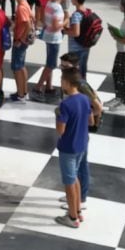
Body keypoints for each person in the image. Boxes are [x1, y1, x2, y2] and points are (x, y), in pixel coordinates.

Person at [55, 67, 91, 229]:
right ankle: (77, 210)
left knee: (69, 182)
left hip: (68, 147)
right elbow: (91, 121)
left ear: (68, 83)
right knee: (75, 177)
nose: (61, 83)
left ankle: (72, 217)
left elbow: (60, 130)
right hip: (82, 144)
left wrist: (58, 116)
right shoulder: (84, 98)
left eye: (62, 80)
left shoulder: (66, 104)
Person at [103, 0, 125, 112]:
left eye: (121, 5)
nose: (120, 6)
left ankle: (122, 102)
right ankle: (119, 98)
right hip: (122, 50)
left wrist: (115, 36)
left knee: (120, 76)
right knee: (117, 73)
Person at [34, 0, 66, 99]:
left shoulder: (49, 3)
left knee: (49, 62)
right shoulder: (57, 7)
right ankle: (38, 87)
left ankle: (49, 86)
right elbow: (56, 26)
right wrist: (66, 20)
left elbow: (44, 20)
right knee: (51, 64)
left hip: (48, 35)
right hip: (54, 38)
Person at [8, 0, 34, 102]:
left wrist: (20, 39)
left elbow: (27, 24)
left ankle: (20, 94)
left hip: (20, 41)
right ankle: (23, 91)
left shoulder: (21, 7)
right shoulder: (25, 4)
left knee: (17, 67)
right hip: (24, 40)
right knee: (21, 66)